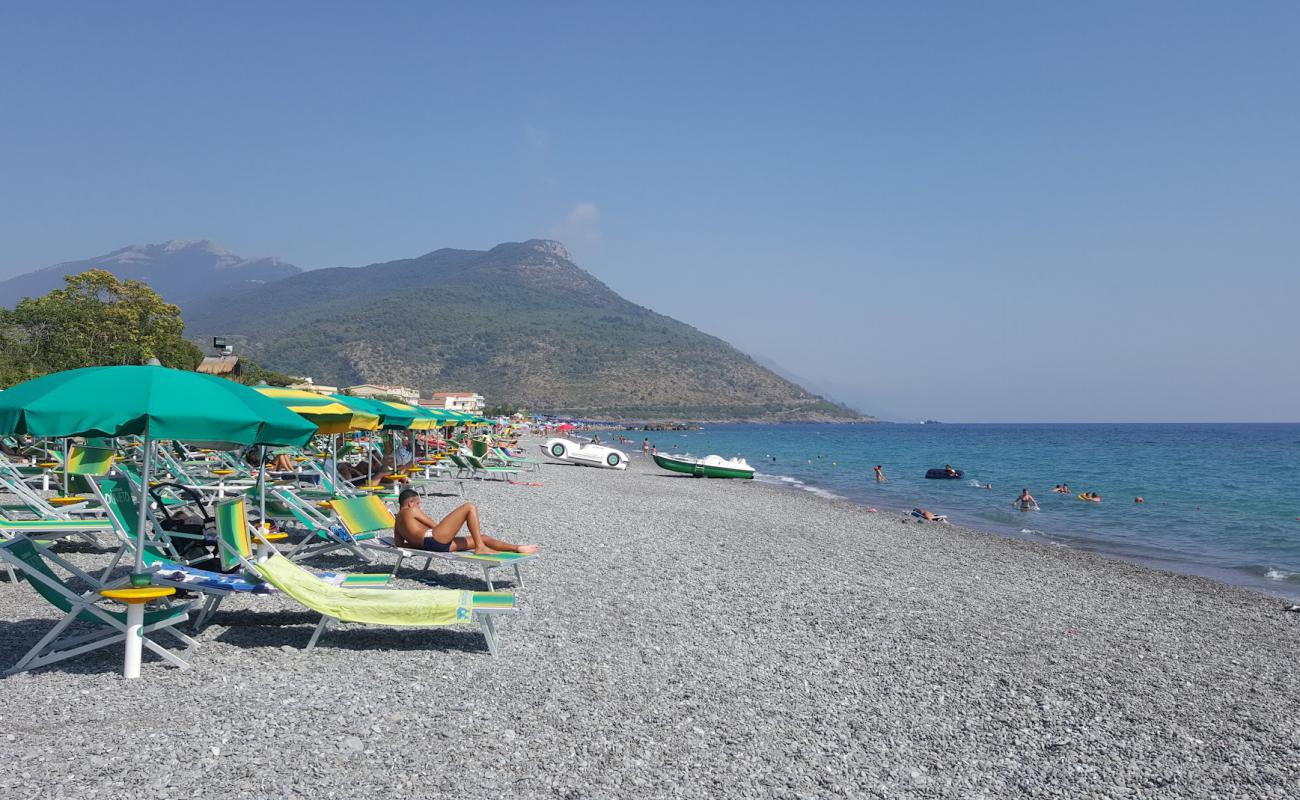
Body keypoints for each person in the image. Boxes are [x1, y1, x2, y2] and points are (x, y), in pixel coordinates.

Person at [393, 489, 538, 555]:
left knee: (483, 537)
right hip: (434, 539)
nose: (419, 506)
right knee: (469, 507)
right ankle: (480, 547)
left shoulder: (397, 521)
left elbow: (399, 544)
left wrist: (419, 545)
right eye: (418, 503)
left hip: (432, 546)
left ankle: (517, 548)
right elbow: (434, 525)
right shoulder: (410, 510)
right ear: (411, 503)